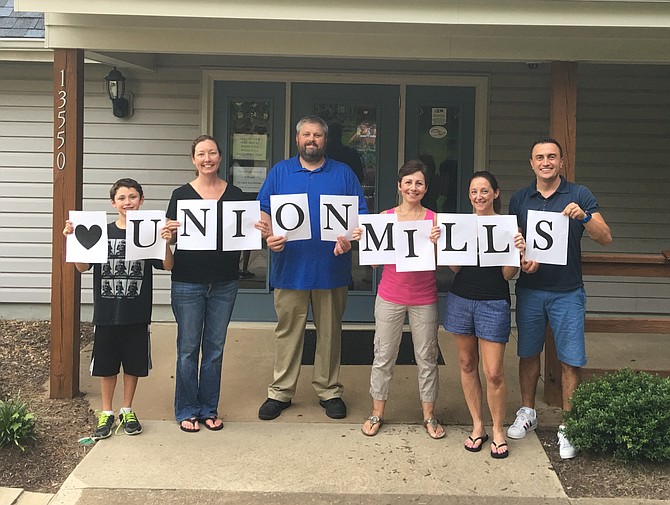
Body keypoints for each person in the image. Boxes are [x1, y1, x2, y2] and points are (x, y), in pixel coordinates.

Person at [256, 115, 367, 420]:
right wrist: (268, 237)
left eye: (317, 135)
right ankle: (280, 392)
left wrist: (350, 241)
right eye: (306, 134)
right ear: (297, 139)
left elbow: (359, 216)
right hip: (289, 267)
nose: (312, 140)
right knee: (288, 333)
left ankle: (329, 390)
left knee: (330, 333)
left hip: (332, 268)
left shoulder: (343, 174)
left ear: (324, 140)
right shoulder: (280, 172)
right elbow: (263, 211)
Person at [507, 136, 612, 459]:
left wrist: (584, 217)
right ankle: (528, 412)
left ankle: (570, 424)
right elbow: (514, 244)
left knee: (571, 359)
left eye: (552, 157)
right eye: (540, 157)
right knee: (527, 353)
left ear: (562, 162)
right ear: (532, 163)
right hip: (531, 288)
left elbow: (605, 237)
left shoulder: (579, 195)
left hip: (567, 291)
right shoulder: (520, 199)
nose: (546, 162)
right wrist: (522, 258)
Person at [63, 178, 174, 439]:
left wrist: (166, 242)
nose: (128, 202)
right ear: (113, 203)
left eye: (133, 197)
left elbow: (167, 266)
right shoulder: (102, 231)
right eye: (122, 198)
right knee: (106, 365)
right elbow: (81, 267)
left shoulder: (149, 232)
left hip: (136, 312)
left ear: (142, 200)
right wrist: (72, 240)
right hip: (106, 311)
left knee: (133, 365)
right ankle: (107, 411)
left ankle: (127, 408)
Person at [354, 160, 445, 439]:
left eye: (419, 183)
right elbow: (372, 266)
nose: (413, 188)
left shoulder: (435, 220)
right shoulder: (385, 217)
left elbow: (442, 263)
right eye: (408, 182)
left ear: (426, 188)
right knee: (383, 355)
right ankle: (377, 411)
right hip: (390, 295)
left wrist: (438, 244)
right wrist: (363, 241)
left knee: (427, 357)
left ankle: (429, 415)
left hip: (424, 297)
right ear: (399, 186)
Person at [164, 135, 246, 433]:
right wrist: (169, 232)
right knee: (187, 348)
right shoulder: (181, 194)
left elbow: (247, 233)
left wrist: (261, 229)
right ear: (193, 159)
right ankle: (186, 409)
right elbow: (169, 238)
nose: (207, 158)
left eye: (212, 153)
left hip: (225, 281)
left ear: (220, 157)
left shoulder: (236, 194)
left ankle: (208, 408)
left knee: (215, 348)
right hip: (187, 281)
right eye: (201, 154)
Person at [443, 171, 525, 459]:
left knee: (494, 372)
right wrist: (443, 244)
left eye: (485, 191)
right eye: (474, 191)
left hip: (493, 303)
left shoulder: (506, 227)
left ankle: (499, 429)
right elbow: (455, 269)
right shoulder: (461, 225)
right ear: (469, 195)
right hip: (461, 299)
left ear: (496, 193)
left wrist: (515, 254)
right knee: (467, 364)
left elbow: (506, 275)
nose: (479, 196)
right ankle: (478, 426)